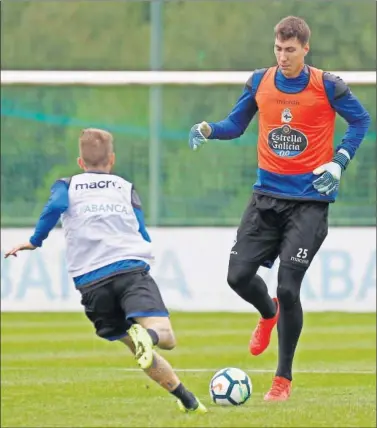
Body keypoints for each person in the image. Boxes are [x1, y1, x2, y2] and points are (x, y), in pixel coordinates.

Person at [188, 16, 370, 401]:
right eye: (278, 49)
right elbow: (236, 124)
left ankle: (282, 380)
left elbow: (360, 120)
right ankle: (267, 314)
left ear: (305, 49)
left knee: (288, 288)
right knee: (237, 277)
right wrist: (210, 129)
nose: (283, 56)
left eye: (290, 50)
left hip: (308, 203)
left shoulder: (328, 85)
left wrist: (339, 161)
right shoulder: (260, 81)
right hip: (265, 198)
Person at [5, 128, 207, 414]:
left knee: (133, 345)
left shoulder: (66, 184)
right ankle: (148, 337)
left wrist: (35, 241)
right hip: (128, 269)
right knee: (165, 337)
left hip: (91, 283)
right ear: (111, 160)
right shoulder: (125, 187)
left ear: (80, 162)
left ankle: (189, 401)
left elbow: (56, 206)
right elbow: (141, 229)